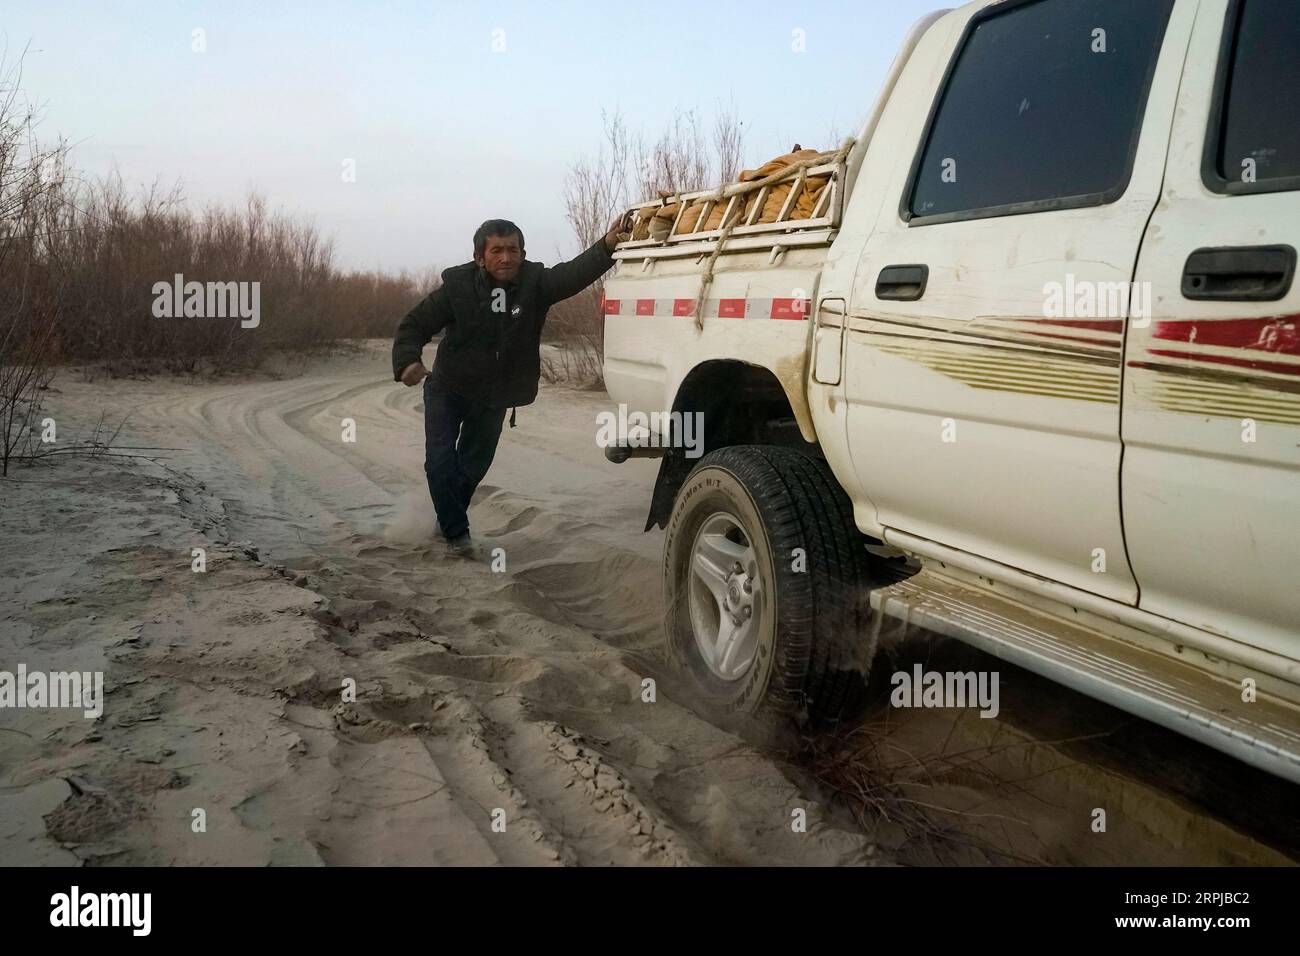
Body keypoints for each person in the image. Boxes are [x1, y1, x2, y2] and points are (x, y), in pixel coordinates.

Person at [392, 215, 629, 553]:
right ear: (479, 258)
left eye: (513, 250)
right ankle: (457, 536)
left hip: (494, 396)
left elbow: (573, 274)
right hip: (449, 389)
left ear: (523, 253)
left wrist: (606, 245)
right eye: (497, 251)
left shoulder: (536, 284)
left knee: (471, 469)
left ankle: (444, 523)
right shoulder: (457, 288)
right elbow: (415, 323)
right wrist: (407, 361)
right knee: (441, 463)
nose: (506, 258)